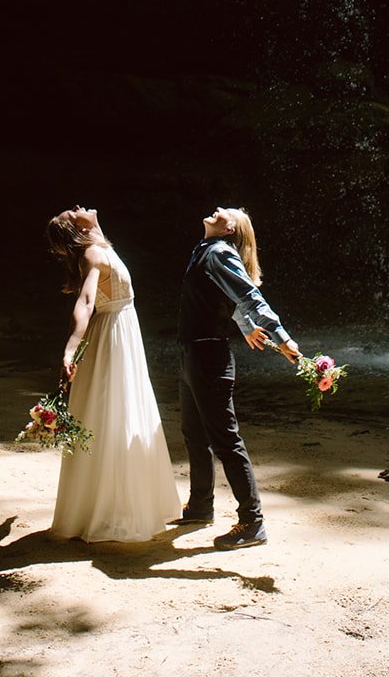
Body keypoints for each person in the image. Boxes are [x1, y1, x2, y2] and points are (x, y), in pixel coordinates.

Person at [46, 205, 179, 543]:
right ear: (78, 229)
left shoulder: (98, 244)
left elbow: (97, 239)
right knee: (115, 415)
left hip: (121, 331)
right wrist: (69, 348)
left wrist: (94, 225)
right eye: (72, 212)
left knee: (122, 412)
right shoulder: (92, 254)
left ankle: (114, 503)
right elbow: (86, 302)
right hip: (111, 337)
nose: (79, 206)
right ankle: (107, 509)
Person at [176, 205, 299, 550]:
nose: (216, 210)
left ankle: (252, 522)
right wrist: (245, 327)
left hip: (208, 357)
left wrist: (281, 337)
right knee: (193, 433)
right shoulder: (206, 251)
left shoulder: (218, 252)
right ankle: (200, 506)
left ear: (230, 230)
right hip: (192, 353)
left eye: (225, 212)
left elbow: (248, 295)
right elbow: (226, 298)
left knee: (225, 440)